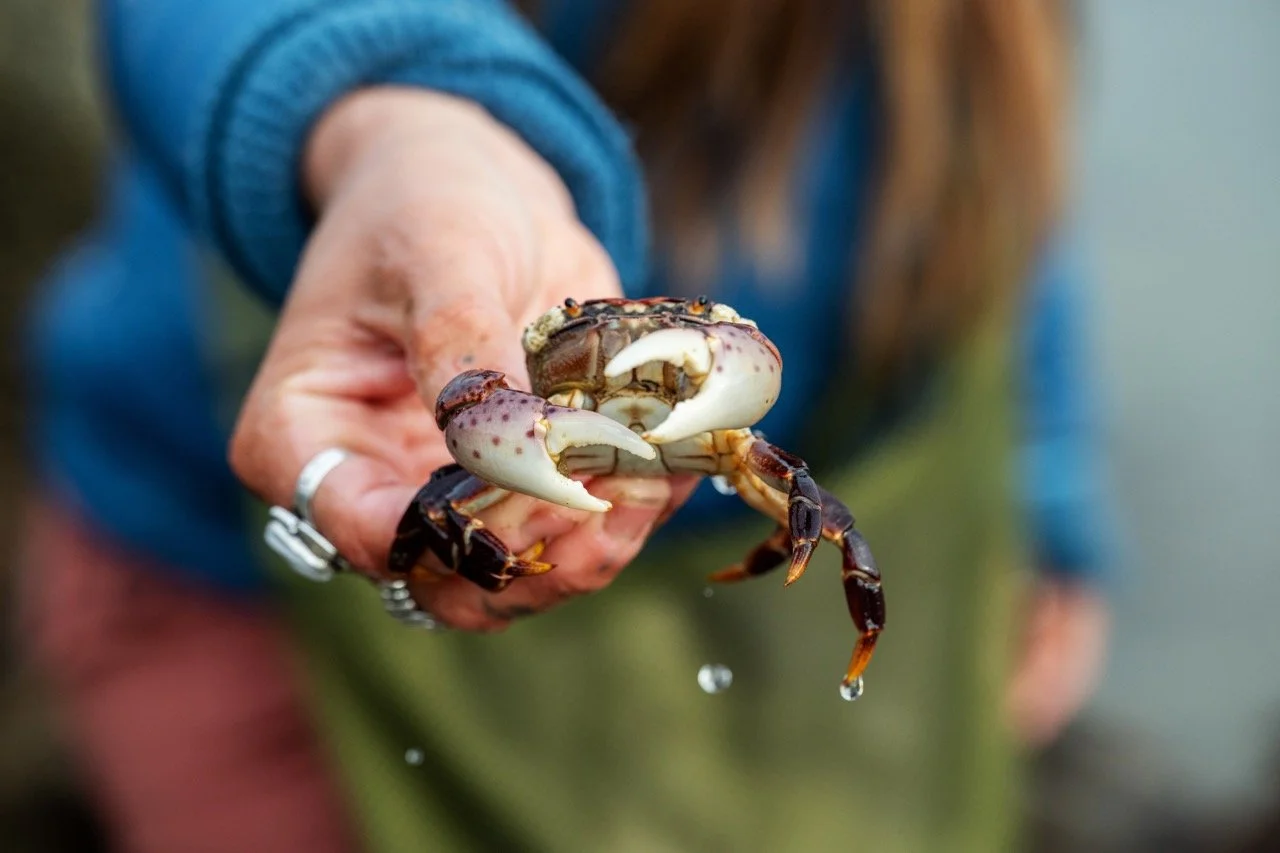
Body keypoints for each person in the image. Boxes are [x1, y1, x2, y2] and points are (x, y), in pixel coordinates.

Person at [20, 0, 1114, 851]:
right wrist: (392, 123)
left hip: (752, 604)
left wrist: (1041, 482)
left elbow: (999, 175)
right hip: (254, 580)